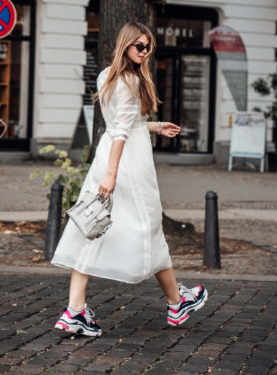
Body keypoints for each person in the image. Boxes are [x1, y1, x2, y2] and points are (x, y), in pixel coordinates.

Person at [51, 22, 208, 337]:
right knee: (147, 227)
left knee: (92, 229)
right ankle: (177, 303)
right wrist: (112, 174)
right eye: (139, 46)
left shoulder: (107, 75)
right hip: (127, 164)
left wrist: (156, 126)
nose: (145, 51)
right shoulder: (130, 80)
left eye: (148, 46)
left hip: (109, 156)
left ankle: (75, 310)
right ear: (125, 45)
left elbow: (124, 122)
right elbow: (122, 129)